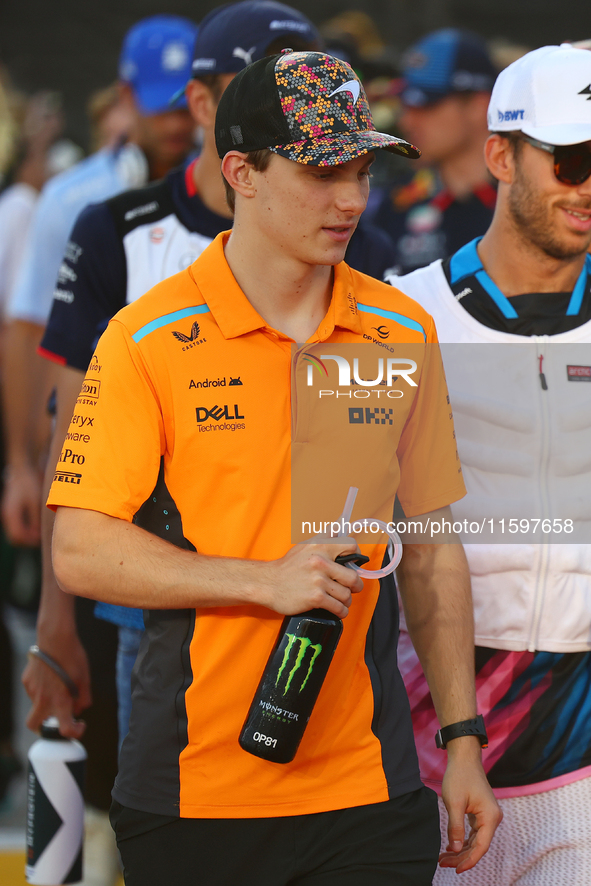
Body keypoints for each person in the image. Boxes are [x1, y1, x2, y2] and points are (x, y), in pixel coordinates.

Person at [48, 48, 500, 885]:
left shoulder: (400, 331)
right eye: (322, 172)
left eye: (361, 171)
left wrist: (462, 744)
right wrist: (261, 581)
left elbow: (434, 549)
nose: (350, 200)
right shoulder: (145, 338)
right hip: (194, 792)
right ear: (239, 172)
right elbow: (78, 549)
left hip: (371, 792)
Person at [35, 0, 395, 748]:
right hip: (154, 617)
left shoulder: (360, 244)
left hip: (331, 625)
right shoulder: (116, 230)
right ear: (206, 103)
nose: (298, 93)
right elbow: (70, 444)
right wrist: (53, 620)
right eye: (263, 76)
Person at [386, 43, 591, 883]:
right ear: (501, 154)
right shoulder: (401, 317)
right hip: (429, 736)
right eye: (571, 160)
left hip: (577, 734)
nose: (588, 188)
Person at [1, 14, 197, 549]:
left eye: (184, 105)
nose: (175, 122)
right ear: (127, 95)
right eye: (160, 104)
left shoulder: (234, 190)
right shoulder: (70, 199)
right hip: (100, 457)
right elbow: (27, 331)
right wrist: (22, 465)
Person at [371, 28, 498, 274]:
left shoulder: (525, 198)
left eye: (426, 104)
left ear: (479, 106)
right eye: (406, 105)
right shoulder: (395, 205)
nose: (408, 122)